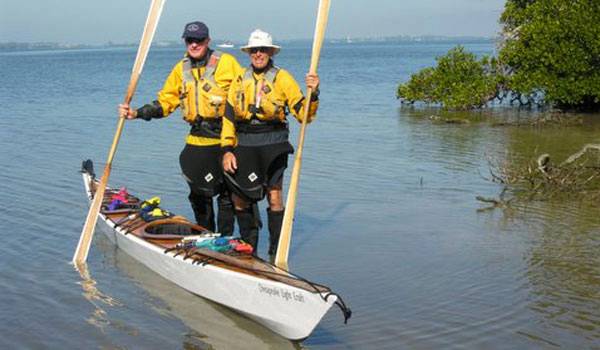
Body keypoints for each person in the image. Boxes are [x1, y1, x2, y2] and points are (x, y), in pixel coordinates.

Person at [119, 21, 242, 234]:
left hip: (225, 139)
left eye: (199, 40)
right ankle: (205, 235)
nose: (194, 45)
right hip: (197, 138)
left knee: (226, 195)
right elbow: (166, 102)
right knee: (198, 194)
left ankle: (225, 239)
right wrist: (137, 113)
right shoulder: (181, 69)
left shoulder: (227, 63)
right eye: (189, 40)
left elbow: (245, 93)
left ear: (208, 41)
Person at [221, 29, 320, 256]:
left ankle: (276, 251)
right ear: (249, 53)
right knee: (239, 198)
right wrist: (227, 149)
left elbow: (304, 115)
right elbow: (228, 118)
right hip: (245, 142)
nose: (258, 54)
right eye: (254, 50)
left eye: (262, 50)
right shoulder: (238, 80)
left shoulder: (282, 77)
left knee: (274, 194)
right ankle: (249, 248)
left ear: (270, 52)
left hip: (274, 142)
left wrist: (314, 94)